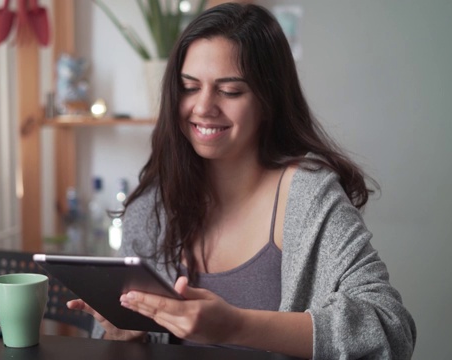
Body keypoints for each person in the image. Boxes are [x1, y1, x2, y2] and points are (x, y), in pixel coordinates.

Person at [68, 3, 416, 359]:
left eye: (230, 91)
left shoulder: (308, 198)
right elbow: (121, 344)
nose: (203, 107)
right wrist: (127, 335)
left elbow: (390, 329)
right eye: (189, 87)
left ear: (269, 100)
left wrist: (236, 326)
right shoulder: (152, 207)